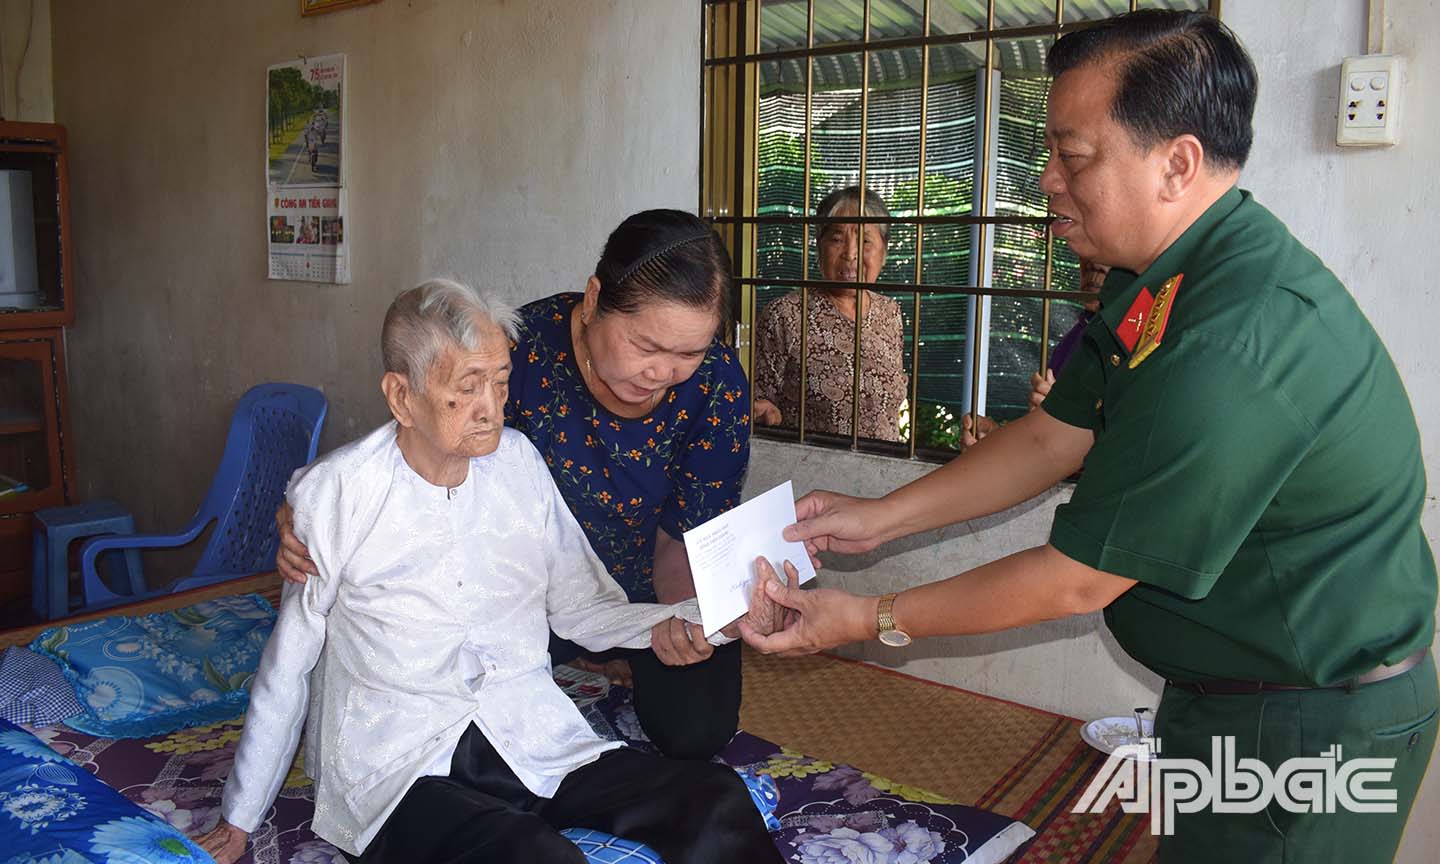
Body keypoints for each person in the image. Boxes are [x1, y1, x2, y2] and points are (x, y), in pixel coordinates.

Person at [739, 11, 1436, 863]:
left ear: (1175, 164)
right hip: (1230, 692)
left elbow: (1075, 581)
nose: (1045, 181)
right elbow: (1049, 438)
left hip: (1307, 719)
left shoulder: (1230, 338)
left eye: (1073, 157)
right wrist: (879, 518)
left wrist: (866, 617)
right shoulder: (1164, 285)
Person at [199, 279, 783, 864]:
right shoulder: (337, 495)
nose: (491, 410)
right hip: (399, 758)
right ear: (402, 397)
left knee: (715, 799)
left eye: (500, 384)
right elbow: (289, 661)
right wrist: (239, 815)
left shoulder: (519, 464)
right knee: (530, 855)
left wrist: (684, 622)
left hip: (525, 731)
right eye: (466, 389)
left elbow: (582, 606)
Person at [278, 210, 753, 760]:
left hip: (643, 594)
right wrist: (311, 505)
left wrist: (675, 626)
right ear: (595, 300)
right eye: (646, 346)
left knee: (698, 729)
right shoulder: (518, 355)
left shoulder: (717, 385)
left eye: (688, 353)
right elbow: (422, 442)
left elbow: (685, 538)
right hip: (516, 595)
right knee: (448, 717)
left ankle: (613, 653)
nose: (664, 372)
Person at [752, 185, 909, 442]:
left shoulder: (890, 313)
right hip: (813, 468)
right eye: (837, 239)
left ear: (884, 251)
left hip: (884, 469)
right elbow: (760, 404)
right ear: (819, 246)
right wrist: (763, 413)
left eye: (865, 240)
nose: (850, 253)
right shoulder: (786, 315)